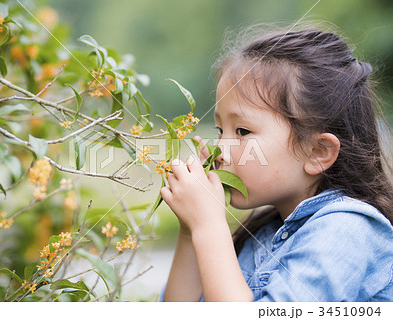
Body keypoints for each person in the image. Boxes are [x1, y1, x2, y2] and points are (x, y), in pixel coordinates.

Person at [158, 23, 393, 302]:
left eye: (243, 132)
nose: (220, 149)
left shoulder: (346, 230)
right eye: (220, 131)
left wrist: (208, 227)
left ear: (317, 151)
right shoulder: (265, 233)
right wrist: (190, 231)